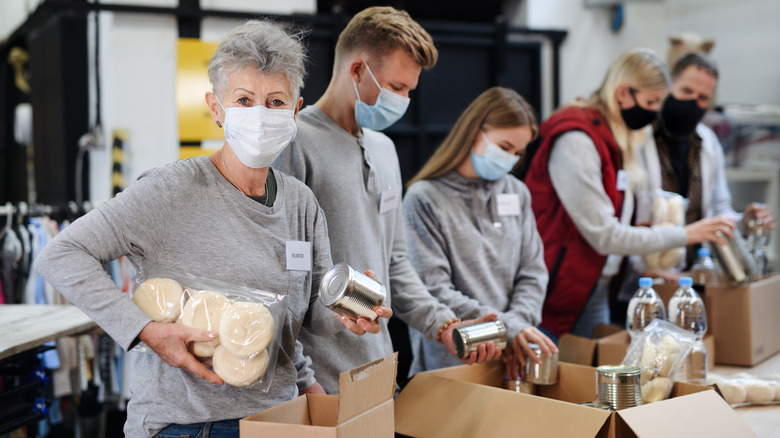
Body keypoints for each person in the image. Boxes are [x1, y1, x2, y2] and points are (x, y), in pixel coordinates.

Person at [34, 20, 389, 437]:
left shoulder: (300, 203)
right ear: (216, 108)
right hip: (183, 426)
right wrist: (146, 331)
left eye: (276, 102)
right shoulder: (169, 190)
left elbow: (311, 317)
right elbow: (60, 255)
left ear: (295, 110)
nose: (261, 114)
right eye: (244, 99)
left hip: (273, 421)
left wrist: (346, 310)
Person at [273, 6, 498, 394]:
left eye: (410, 91)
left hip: (377, 371)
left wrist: (443, 324)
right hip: (316, 383)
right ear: (357, 70)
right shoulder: (295, 143)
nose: (404, 101)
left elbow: (394, 262)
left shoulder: (385, 150)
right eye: (396, 88)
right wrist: (301, 379)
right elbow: (280, 275)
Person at [522, 48, 736, 342]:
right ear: (622, 93)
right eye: (650, 103)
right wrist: (686, 234)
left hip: (595, 284)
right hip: (556, 287)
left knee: (592, 374)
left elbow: (623, 220)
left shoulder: (614, 138)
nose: (653, 114)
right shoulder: (578, 140)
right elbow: (604, 234)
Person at [402, 87, 558, 379]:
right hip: (453, 361)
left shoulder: (516, 192)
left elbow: (533, 272)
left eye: (518, 153)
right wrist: (508, 328)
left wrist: (516, 328)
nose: (510, 158)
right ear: (475, 133)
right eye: (504, 146)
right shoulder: (424, 198)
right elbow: (433, 288)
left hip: (513, 354)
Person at [632, 52, 774, 280]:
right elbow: (624, 221)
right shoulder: (638, 138)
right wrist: (641, 268)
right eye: (686, 91)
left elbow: (719, 210)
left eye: (702, 98)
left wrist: (744, 220)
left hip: (692, 276)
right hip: (642, 277)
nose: (693, 103)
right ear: (668, 87)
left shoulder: (707, 143)